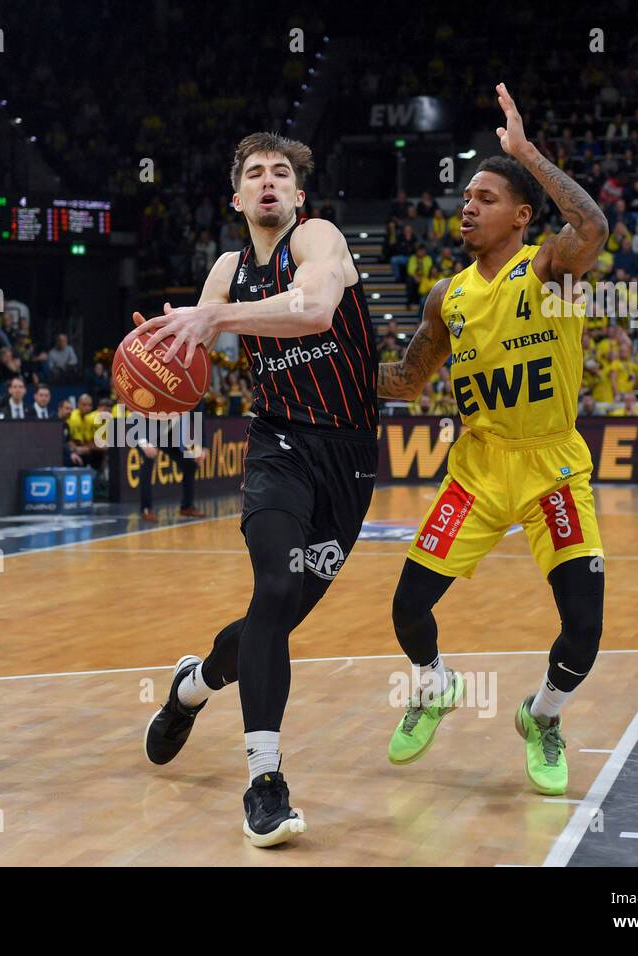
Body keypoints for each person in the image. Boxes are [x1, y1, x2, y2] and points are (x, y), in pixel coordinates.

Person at [135, 131, 378, 847]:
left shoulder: (320, 239)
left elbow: (314, 311)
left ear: (299, 195)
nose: (268, 182)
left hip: (351, 458)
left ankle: (193, 686)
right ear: (236, 197)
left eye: (281, 174)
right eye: (254, 174)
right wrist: (157, 354)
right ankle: (265, 782)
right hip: (278, 447)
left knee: (277, 620)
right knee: (272, 590)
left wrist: (215, 318)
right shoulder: (227, 268)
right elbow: (191, 353)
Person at [376, 85, 608, 797]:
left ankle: (542, 716)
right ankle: (434, 685)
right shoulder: (445, 296)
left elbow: (594, 225)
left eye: (485, 196)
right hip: (477, 471)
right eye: (466, 196)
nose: (467, 205)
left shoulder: (550, 265)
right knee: (408, 608)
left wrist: (525, 152)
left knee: (585, 628)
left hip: (551, 469)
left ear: (522, 214)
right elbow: (407, 382)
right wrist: (326, 357)